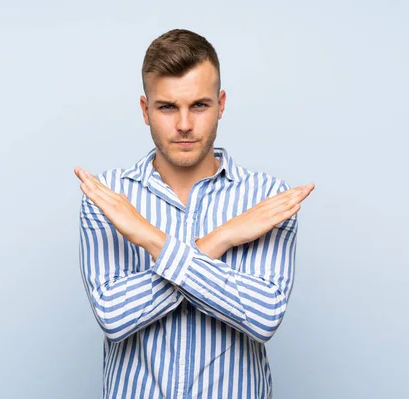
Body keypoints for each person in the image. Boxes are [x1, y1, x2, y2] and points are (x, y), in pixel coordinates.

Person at [74, 28, 315, 399]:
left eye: (199, 105)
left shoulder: (268, 200)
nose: (184, 125)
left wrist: (150, 239)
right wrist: (222, 239)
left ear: (220, 104)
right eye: (167, 107)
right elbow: (114, 316)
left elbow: (263, 316)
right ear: (145, 110)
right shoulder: (107, 197)